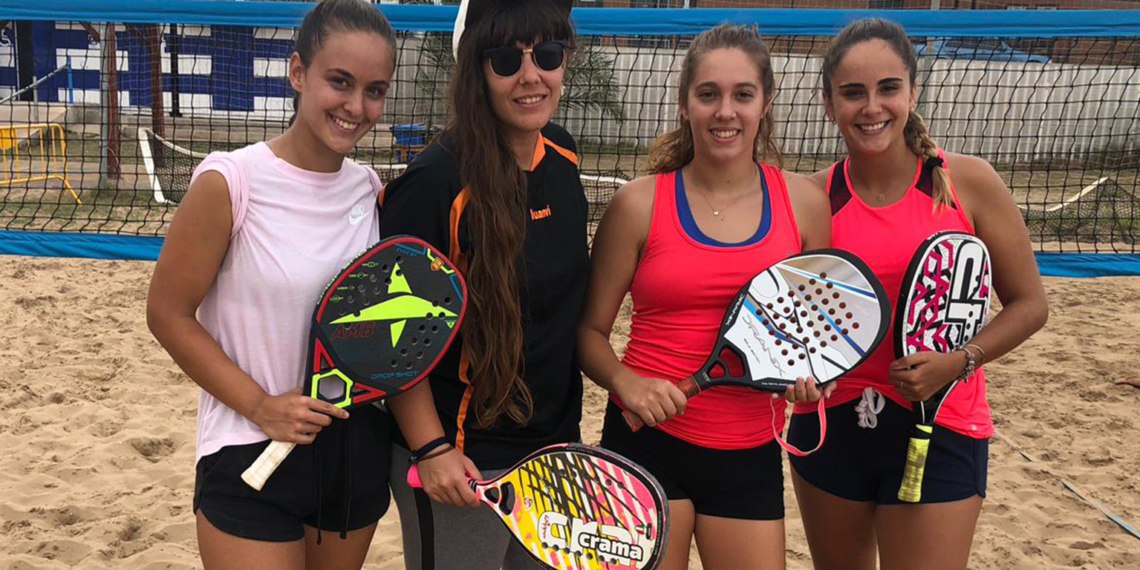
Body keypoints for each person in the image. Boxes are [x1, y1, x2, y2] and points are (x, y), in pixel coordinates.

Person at [784, 18, 1049, 570]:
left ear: (913, 91)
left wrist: (958, 360)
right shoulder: (811, 197)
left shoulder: (968, 183)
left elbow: (1030, 304)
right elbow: (791, 321)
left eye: (888, 88)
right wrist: (793, 378)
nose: (871, 107)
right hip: (832, 421)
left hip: (942, 418)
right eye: (852, 92)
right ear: (829, 103)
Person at [145, 1, 397, 568]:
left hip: (349, 448)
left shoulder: (370, 189)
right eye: (340, 81)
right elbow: (167, 314)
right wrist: (260, 405)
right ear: (298, 72)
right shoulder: (230, 181)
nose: (356, 107)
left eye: (375, 90)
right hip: (248, 445)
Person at [577, 23, 831, 570]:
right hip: (644, 442)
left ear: (765, 102)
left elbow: (814, 341)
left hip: (749, 451)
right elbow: (588, 333)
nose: (725, 112)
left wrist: (812, 385)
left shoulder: (804, 205)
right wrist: (626, 381)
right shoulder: (638, 204)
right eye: (708, 94)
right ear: (685, 102)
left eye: (743, 94)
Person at [378, 1, 588, 569]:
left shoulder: (563, 158)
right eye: (506, 59)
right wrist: (432, 448)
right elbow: (391, 338)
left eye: (547, 54)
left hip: (554, 451)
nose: (531, 76)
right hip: (464, 459)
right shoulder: (435, 183)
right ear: (475, 69)